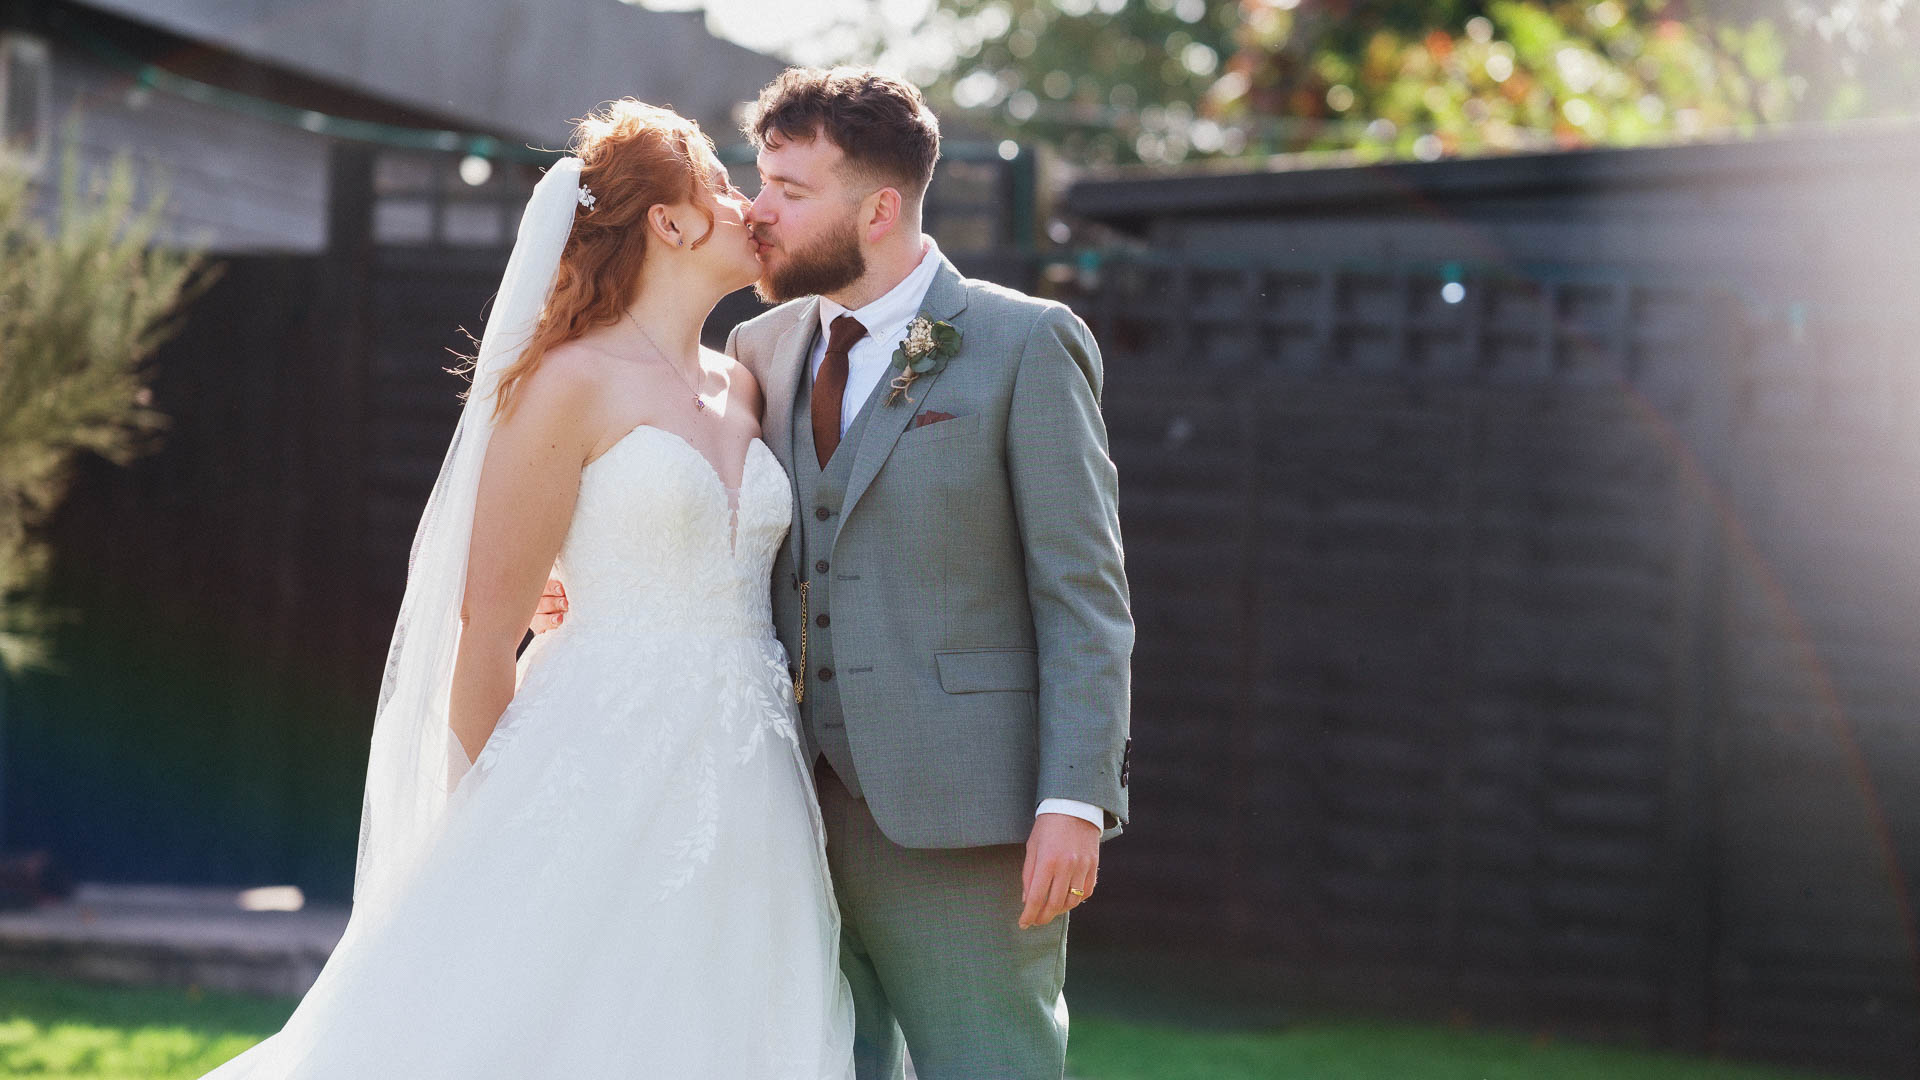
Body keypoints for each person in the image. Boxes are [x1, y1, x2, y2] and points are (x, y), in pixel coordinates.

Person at [201, 100, 855, 1078]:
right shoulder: (566, 382)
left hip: (749, 782)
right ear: (667, 222)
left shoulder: (746, 386)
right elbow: (485, 625)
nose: (747, 206)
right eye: (722, 186)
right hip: (593, 765)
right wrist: (481, 834)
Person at [539, 67, 1134, 1080]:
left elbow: (1084, 595)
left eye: (790, 191)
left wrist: (1074, 801)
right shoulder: (758, 346)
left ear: (880, 208)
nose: (756, 211)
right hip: (774, 813)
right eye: (759, 179)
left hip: (961, 818)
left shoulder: (1024, 343)